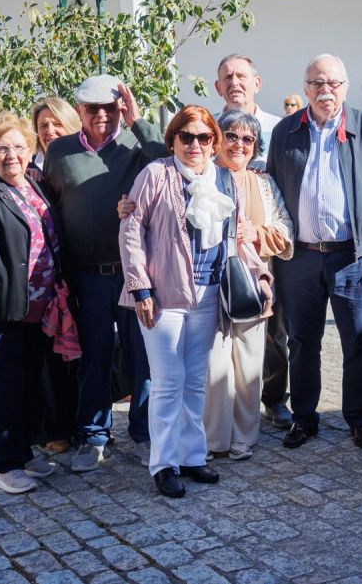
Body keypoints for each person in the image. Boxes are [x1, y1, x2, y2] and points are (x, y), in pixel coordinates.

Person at [266, 54, 362, 449]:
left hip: (351, 256)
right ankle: (304, 419)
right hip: (300, 258)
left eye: (333, 83)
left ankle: (359, 418)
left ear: (346, 85)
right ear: (305, 87)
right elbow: (271, 189)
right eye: (317, 83)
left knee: (358, 341)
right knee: (302, 341)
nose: (326, 90)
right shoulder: (287, 130)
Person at [120, 105, 248, 497]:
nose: (195, 144)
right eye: (186, 137)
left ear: (214, 142)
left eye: (203, 137)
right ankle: (164, 463)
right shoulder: (157, 174)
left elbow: (235, 235)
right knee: (167, 382)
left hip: (209, 293)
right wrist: (140, 288)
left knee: (195, 382)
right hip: (164, 296)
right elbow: (131, 230)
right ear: (173, 140)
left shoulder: (224, 180)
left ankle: (193, 457)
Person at [42, 74, 167, 472]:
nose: (102, 115)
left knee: (141, 358)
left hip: (135, 274)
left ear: (122, 109)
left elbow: (168, 163)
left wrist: (138, 121)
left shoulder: (135, 144)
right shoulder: (60, 151)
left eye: (110, 108)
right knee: (93, 358)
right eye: (92, 108)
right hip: (88, 277)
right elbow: (53, 209)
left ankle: (144, 433)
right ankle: (94, 435)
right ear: (78, 111)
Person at [0, 113, 69, 493]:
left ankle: (24, 453)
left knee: (31, 385)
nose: (11, 156)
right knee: (3, 389)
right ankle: (4, 465)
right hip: (2, 312)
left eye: (19, 147)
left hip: (39, 309)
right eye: (2, 148)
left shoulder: (36, 187)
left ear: (30, 150)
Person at [206, 110, 293, 459]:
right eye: (231, 135)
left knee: (249, 363)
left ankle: (244, 437)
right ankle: (213, 439)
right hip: (208, 284)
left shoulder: (264, 184)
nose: (238, 144)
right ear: (217, 138)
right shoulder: (202, 178)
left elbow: (286, 234)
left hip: (252, 285)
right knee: (214, 365)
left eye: (247, 139)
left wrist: (257, 233)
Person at [29, 96, 82, 454]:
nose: (49, 130)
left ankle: (84, 422)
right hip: (44, 278)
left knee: (81, 352)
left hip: (82, 268)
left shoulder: (80, 163)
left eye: (56, 123)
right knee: (49, 355)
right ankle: (54, 428)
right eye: (43, 125)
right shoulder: (29, 170)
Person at [214, 54, 282, 160]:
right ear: (218, 87)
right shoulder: (208, 127)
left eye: (241, 76)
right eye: (228, 77)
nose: (234, 82)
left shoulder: (278, 128)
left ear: (257, 84)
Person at [30, 97, 81, 172]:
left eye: (58, 124)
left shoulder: (87, 165)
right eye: (44, 125)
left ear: (72, 127)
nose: (50, 131)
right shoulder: (27, 171)